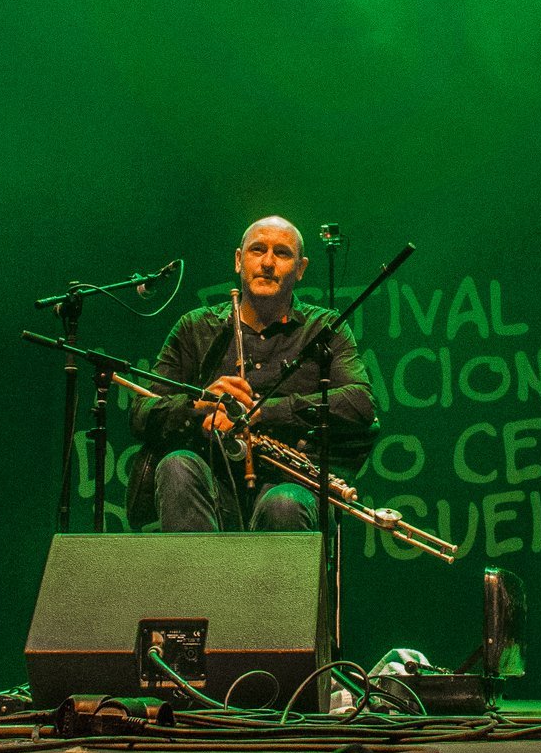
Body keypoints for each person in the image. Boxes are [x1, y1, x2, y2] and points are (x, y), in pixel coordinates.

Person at [128, 216, 378, 532]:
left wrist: (261, 413)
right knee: (177, 466)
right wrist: (202, 404)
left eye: (282, 253)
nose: (268, 262)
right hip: (212, 486)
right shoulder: (196, 327)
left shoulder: (324, 329)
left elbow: (359, 403)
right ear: (238, 260)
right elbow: (142, 412)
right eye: (257, 250)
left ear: (300, 268)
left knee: (284, 503)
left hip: (288, 484)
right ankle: (196, 581)